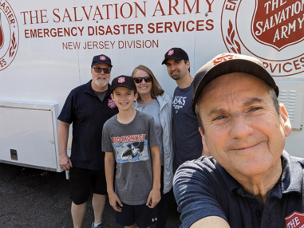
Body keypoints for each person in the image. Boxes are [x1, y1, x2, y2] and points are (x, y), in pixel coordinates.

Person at [173, 53, 304, 228]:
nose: (241, 131)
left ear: (284, 119)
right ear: (204, 137)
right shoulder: (196, 178)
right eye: (220, 117)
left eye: (254, 108)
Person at [57, 54, 118, 228]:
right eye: (98, 69)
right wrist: (63, 155)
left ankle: (97, 223)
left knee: (100, 193)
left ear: (110, 72)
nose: (102, 73)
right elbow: (64, 124)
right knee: (78, 198)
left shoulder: (116, 94)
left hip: (106, 159)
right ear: (91, 71)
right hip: (80, 160)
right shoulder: (77, 94)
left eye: (106, 70)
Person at [102, 75, 161, 228]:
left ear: (135, 96)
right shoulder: (108, 126)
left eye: (128, 93)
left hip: (146, 191)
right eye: (118, 94)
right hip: (123, 193)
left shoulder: (147, 121)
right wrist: (110, 192)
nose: (123, 98)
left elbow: (155, 154)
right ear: (112, 98)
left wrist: (156, 188)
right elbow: (109, 159)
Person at [132, 65, 174, 228]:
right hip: (140, 167)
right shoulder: (130, 105)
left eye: (146, 79)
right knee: (143, 209)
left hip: (161, 163)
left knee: (160, 208)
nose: (143, 82)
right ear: (133, 83)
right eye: (138, 79)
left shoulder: (165, 102)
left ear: (152, 80)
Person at [162, 47, 203, 172]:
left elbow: (209, 130)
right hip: (179, 164)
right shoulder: (177, 91)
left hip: (196, 165)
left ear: (187, 64)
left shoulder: (197, 91)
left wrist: (202, 161)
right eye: (169, 65)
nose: (173, 68)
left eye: (177, 63)